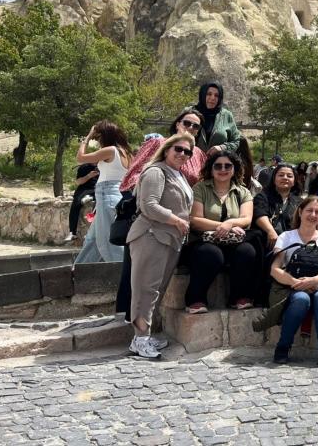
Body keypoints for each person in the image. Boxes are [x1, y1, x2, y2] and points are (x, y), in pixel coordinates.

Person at [125, 134, 196, 358]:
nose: (183, 154)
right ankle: (140, 339)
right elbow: (149, 205)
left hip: (169, 239)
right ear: (166, 149)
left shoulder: (179, 175)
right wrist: (176, 220)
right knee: (145, 288)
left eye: (188, 152)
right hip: (151, 235)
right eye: (178, 149)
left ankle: (143, 336)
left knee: (156, 289)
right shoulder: (156, 171)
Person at [268, 196, 318, 374]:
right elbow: (275, 269)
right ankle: (283, 346)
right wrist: (295, 283)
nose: (313, 215)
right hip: (291, 287)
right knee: (301, 299)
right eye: (309, 210)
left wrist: (314, 280)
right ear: (300, 211)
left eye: (317, 212)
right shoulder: (286, 237)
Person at [184, 151, 258, 313]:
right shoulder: (200, 188)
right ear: (211, 169)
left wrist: (230, 223)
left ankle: (238, 297)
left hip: (233, 241)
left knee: (247, 251)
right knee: (211, 254)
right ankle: (195, 299)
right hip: (204, 240)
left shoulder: (243, 191)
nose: (222, 169)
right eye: (217, 165)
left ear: (234, 168)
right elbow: (195, 219)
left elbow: (246, 219)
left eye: (227, 166)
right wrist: (222, 226)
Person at [75, 120, 133, 264]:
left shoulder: (110, 150)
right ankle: (79, 273)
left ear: (104, 136)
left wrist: (87, 138)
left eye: (97, 137)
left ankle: (122, 278)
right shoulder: (127, 153)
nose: (97, 140)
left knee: (107, 244)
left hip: (107, 195)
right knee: (92, 240)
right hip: (116, 194)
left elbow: (80, 158)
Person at [252, 164, 302, 251]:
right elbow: (260, 215)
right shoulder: (262, 196)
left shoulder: (300, 202)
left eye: (289, 176)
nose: (285, 178)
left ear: (294, 181)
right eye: (281, 175)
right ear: (274, 179)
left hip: (291, 242)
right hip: (266, 240)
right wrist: (270, 231)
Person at [193, 83, 241, 154]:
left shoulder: (226, 115)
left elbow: (236, 141)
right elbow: (176, 134)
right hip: (189, 161)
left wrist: (222, 147)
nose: (213, 98)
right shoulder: (190, 112)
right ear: (203, 94)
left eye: (216, 95)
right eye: (209, 94)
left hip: (216, 163)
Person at [67, 163, 98, 241]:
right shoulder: (84, 167)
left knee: (99, 203)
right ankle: (72, 232)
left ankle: (92, 231)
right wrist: (89, 176)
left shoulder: (105, 165)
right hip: (84, 189)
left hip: (98, 189)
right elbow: (78, 182)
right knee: (76, 203)